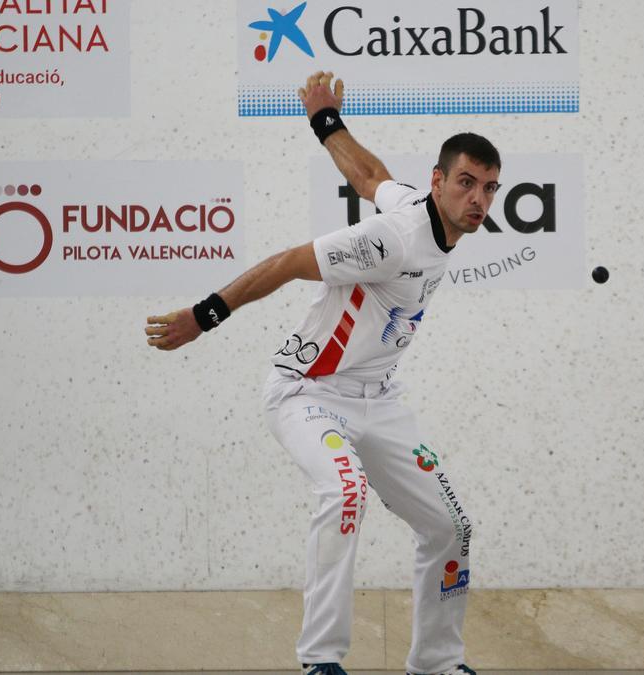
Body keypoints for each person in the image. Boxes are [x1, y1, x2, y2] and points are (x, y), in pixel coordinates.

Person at [145, 71, 500, 675]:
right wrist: (203, 317)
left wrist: (325, 120)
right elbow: (287, 262)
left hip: (380, 400)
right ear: (439, 182)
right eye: (466, 183)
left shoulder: (420, 207)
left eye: (490, 189)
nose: (479, 200)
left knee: (450, 526)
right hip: (307, 393)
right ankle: (321, 663)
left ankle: (438, 664)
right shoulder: (391, 239)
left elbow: (369, 176)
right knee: (345, 491)